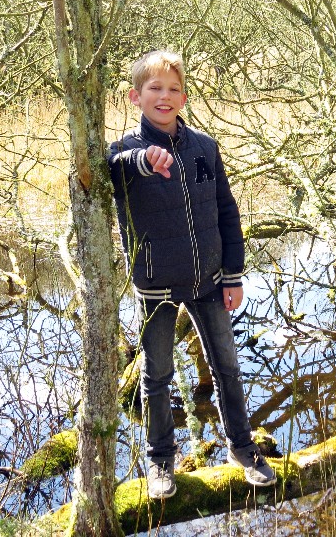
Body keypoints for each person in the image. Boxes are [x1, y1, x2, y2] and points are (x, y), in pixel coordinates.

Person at [107, 50, 276, 499]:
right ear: (135, 97)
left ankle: (242, 448)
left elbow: (226, 210)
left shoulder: (205, 148)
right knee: (156, 375)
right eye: (154, 89)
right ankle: (161, 460)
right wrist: (145, 161)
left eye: (173, 89)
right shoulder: (123, 151)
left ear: (184, 96)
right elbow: (117, 170)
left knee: (228, 367)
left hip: (208, 278)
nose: (165, 97)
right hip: (155, 284)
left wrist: (233, 274)